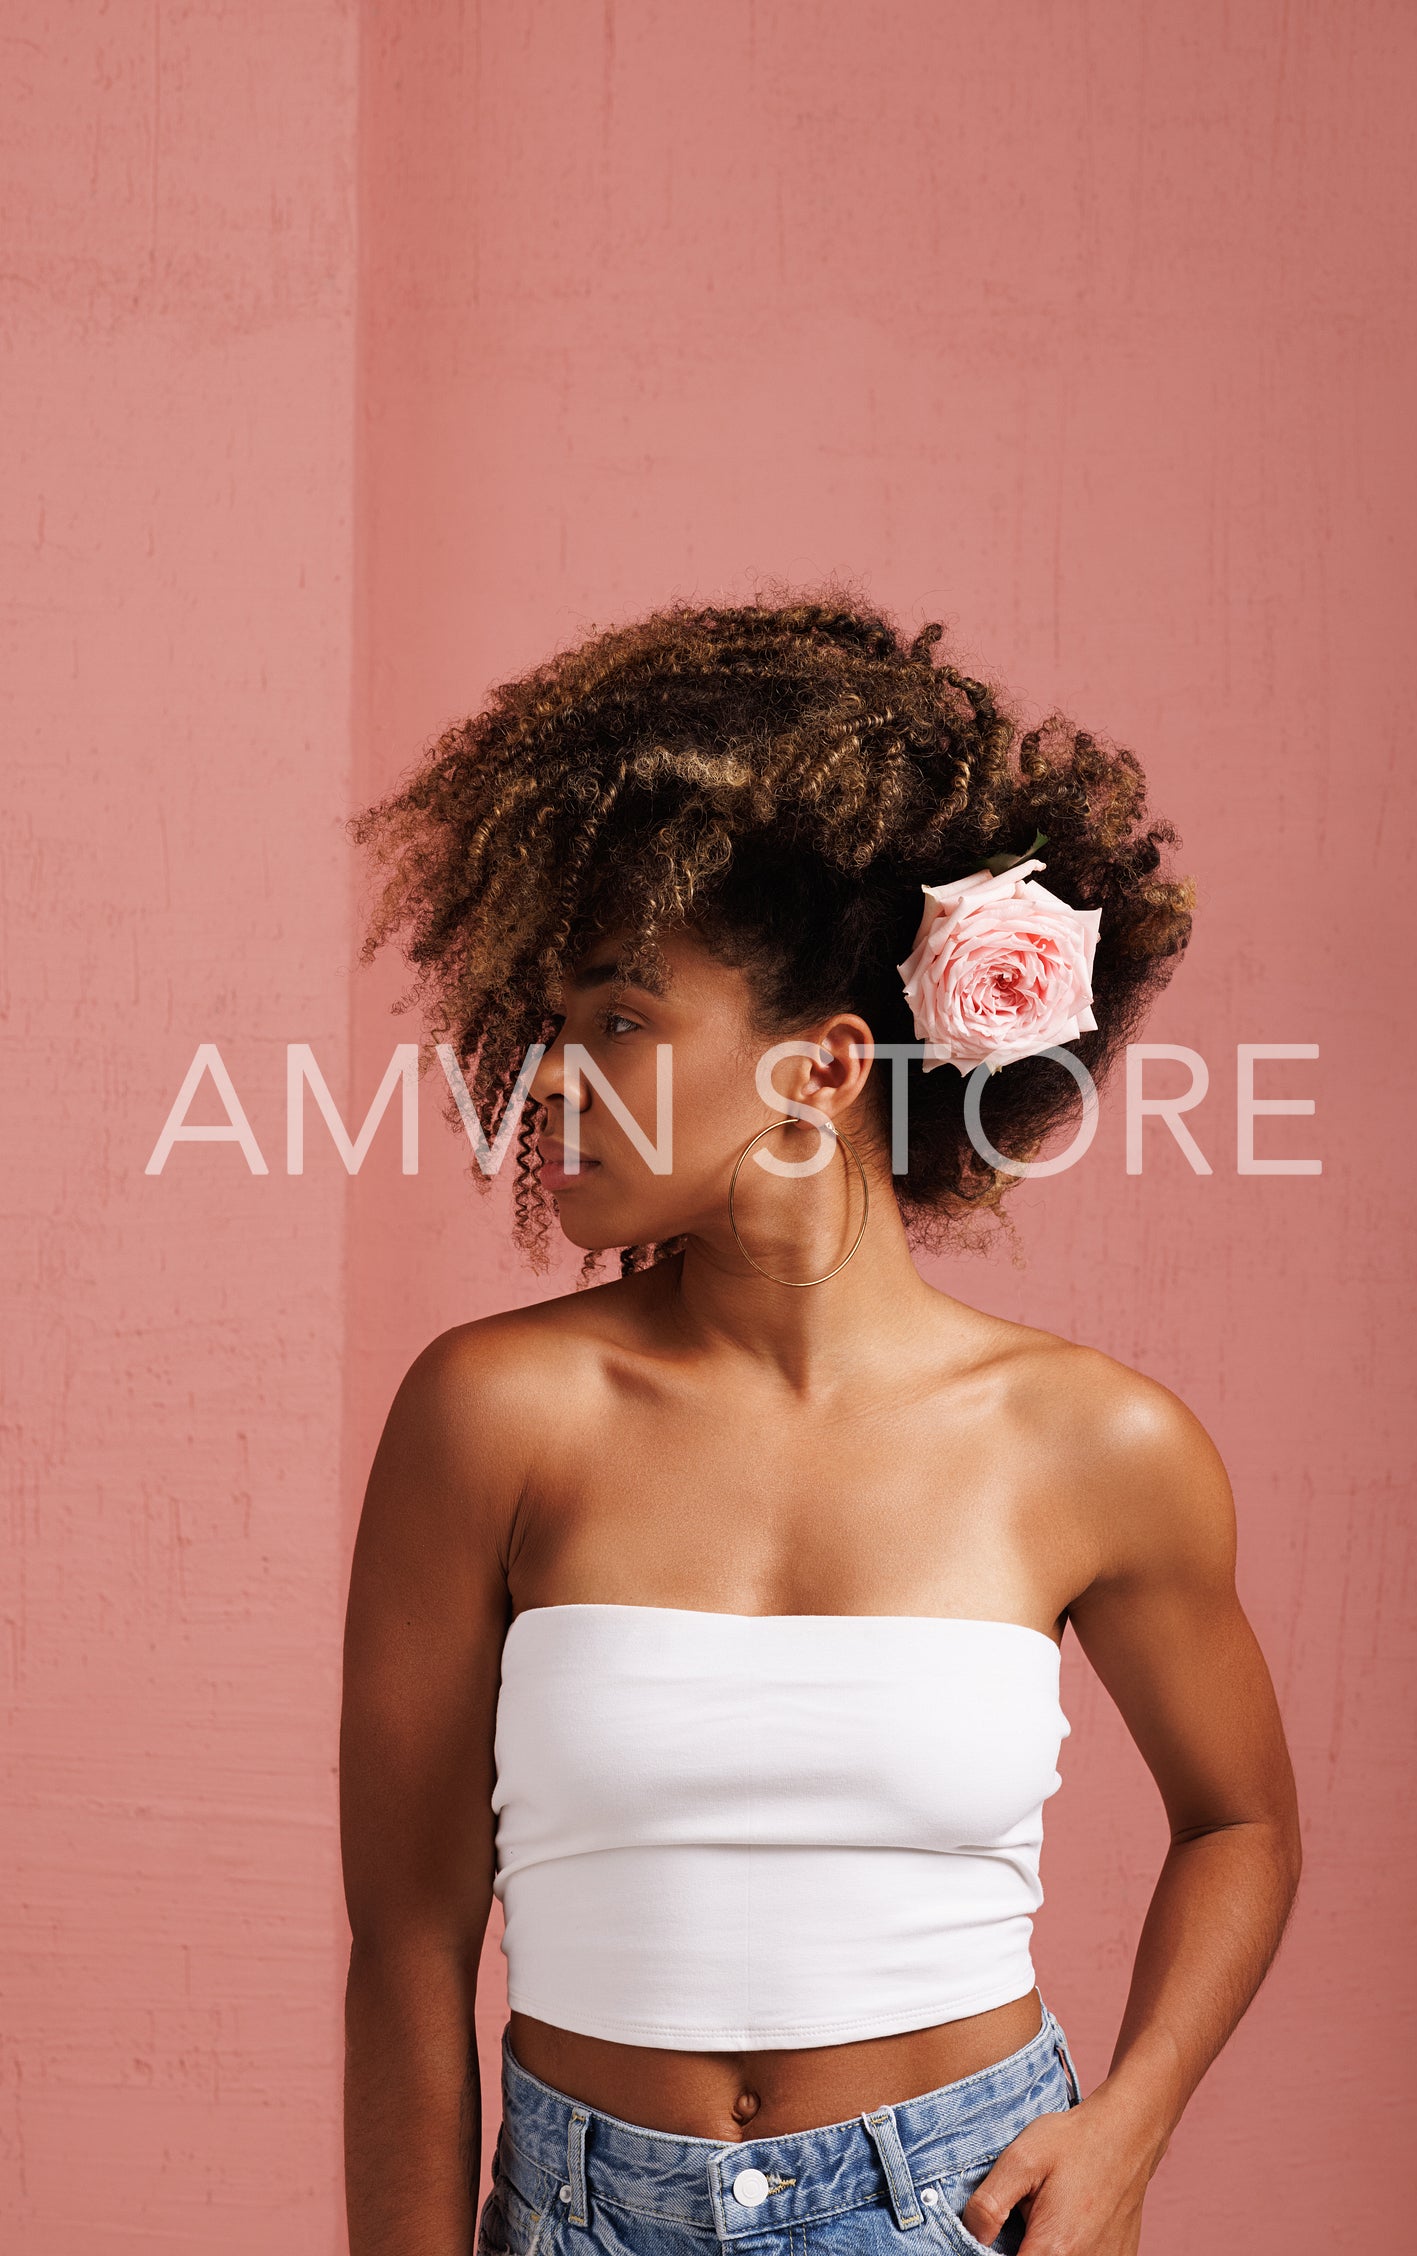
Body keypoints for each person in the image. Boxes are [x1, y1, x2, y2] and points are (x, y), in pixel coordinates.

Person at [339, 596, 1302, 2256]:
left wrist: (1126, 2130)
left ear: (825, 1068)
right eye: (549, 1021)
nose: (548, 1078)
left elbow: (1242, 1822)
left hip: (962, 2209)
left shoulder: (1092, 1443)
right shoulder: (492, 1414)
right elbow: (407, 1944)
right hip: (581, 2215)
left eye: (619, 1020)